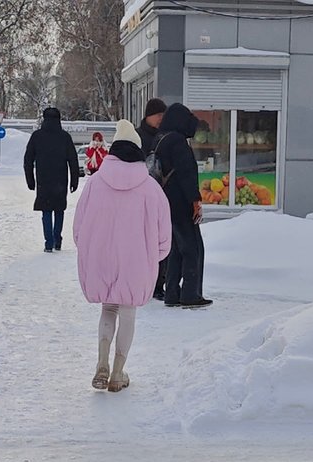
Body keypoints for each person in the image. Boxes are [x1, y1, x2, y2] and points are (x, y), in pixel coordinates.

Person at [72, 120, 171, 392]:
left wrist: (89, 250)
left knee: (108, 308)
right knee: (128, 312)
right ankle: (118, 372)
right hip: (136, 262)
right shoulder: (152, 189)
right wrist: (155, 255)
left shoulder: (95, 184)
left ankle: (101, 364)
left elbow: (79, 226)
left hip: (102, 259)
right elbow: (164, 236)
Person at [152, 103, 211, 308]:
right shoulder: (178, 142)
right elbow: (186, 175)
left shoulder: (161, 139)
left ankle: (172, 294)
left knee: (176, 249)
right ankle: (190, 294)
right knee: (193, 248)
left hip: (166, 203)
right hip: (181, 203)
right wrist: (195, 201)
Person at [24, 107, 81, 252]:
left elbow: (28, 160)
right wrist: (74, 180)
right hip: (60, 180)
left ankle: (48, 242)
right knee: (59, 210)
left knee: (46, 211)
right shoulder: (64, 137)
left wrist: (30, 180)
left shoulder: (37, 136)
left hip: (43, 180)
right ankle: (57, 240)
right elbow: (73, 161)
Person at [137, 97, 168, 300]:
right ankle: (143, 280)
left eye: (162, 116)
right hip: (141, 196)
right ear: (148, 115)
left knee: (159, 241)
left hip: (161, 194)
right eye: (157, 115)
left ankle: (158, 283)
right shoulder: (138, 137)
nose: (160, 119)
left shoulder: (164, 136)